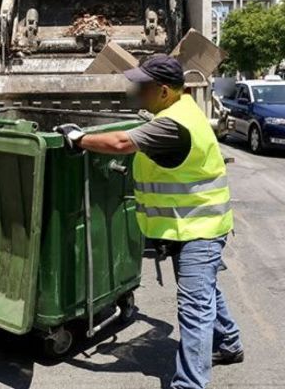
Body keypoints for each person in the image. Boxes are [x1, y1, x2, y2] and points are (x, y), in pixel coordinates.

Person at [55, 54, 243, 389]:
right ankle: (228, 343)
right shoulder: (179, 110)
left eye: (142, 86)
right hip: (189, 225)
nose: (135, 91)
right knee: (205, 290)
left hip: (198, 228)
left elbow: (122, 142)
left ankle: (190, 384)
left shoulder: (174, 124)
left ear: (164, 90)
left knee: (194, 307)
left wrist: (78, 138)